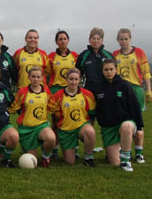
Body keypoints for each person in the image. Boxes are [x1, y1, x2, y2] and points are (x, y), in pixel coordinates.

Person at [94, 59, 143, 171]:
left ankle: (126, 160)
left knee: (126, 127)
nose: (109, 72)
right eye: (106, 70)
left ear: (116, 69)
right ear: (102, 71)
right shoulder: (97, 87)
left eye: (111, 69)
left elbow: (135, 107)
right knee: (114, 163)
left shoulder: (125, 85)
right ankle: (122, 149)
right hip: (108, 128)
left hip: (124, 122)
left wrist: (139, 127)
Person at [113, 28, 152, 164]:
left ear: (130, 39)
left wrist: (148, 90)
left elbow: (145, 71)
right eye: (121, 39)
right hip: (121, 90)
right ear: (117, 40)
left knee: (138, 121)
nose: (123, 41)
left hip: (136, 89)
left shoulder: (139, 52)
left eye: (126, 39)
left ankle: (139, 152)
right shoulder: (115, 54)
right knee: (121, 120)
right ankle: (124, 150)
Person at [48, 68, 96, 166]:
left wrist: (90, 129)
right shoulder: (58, 95)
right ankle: (72, 149)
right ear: (66, 79)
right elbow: (51, 112)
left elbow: (92, 112)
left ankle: (89, 158)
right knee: (70, 162)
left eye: (76, 79)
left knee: (90, 131)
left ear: (79, 80)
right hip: (66, 130)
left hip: (81, 126)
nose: (73, 82)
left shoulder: (87, 94)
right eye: (71, 79)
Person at [9, 66, 55, 168]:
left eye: (38, 77)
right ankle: (26, 149)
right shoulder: (22, 92)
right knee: (31, 161)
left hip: (41, 126)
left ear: (43, 78)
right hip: (26, 130)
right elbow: (13, 108)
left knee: (51, 138)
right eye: (33, 76)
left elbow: (52, 107)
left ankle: (45, 157)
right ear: (28, 77)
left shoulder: (46, 91)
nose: (35, 79)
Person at [47, 30, 79, 158]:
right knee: (55, 121)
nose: (63, 41)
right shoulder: (51, 56)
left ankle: (74, 149)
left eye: (65, 38)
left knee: (72, 120)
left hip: (71, 91)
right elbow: (48, 73)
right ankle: (54, 150)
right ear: (56, 42)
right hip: (56, 91)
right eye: (60, 39)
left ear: (68, 40)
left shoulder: (75, 56)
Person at [76, 28, 113, 94]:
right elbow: (77, 75)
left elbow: (115, 74)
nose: (96, 41)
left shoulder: (108, 55)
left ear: (102, 40)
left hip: (107, 91)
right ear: (89, 40)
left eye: (98, 39)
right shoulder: (83, 56)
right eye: (93, 38)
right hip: (89, 92)